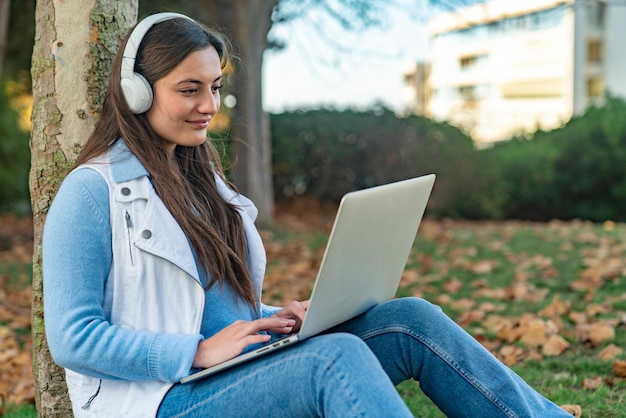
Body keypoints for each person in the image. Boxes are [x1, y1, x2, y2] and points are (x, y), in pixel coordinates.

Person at [42, 12, 574, 418]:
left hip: (230, 372)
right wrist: (196, 351)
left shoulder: (204, 183)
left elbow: (215, 309)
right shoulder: (90, 193)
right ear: (137, 94)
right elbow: (73, 337)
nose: (210, 105)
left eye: (215, 88)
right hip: (160, 400)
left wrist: (278, 318)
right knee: (332, 359)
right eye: (190, 89)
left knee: (409, 319)